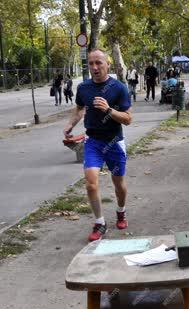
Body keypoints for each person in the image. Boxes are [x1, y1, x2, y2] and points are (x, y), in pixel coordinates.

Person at [63, 49, 133, 242]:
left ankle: (121, 211)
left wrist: (109, 110)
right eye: (91, 63)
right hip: (93, 141)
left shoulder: (119, 88)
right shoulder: (84, 88)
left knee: (118, 184)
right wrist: (70, 125)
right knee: (91, 183)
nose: (94, 67)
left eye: (98, 63)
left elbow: (127, 119)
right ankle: (100, 223)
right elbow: (78, 109)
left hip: (114, 143)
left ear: (107, 64)